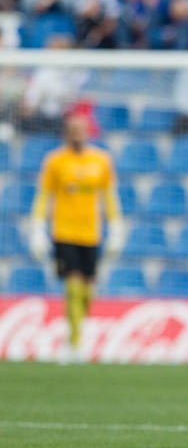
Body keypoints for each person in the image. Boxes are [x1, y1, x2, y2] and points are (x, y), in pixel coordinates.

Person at [29, 111, 125, 361]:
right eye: (72, 129)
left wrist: (116, 226)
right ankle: (74, 344)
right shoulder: (55, 161)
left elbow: (109, 196)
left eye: (80, 128)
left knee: (87, 291)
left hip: (91, 234)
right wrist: (38, 227)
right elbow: (43, 196)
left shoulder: (101, 160)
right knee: (72, 287)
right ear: (66, 132)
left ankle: (76, 332)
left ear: (88, 131)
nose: (76, 133)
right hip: (64, 231)